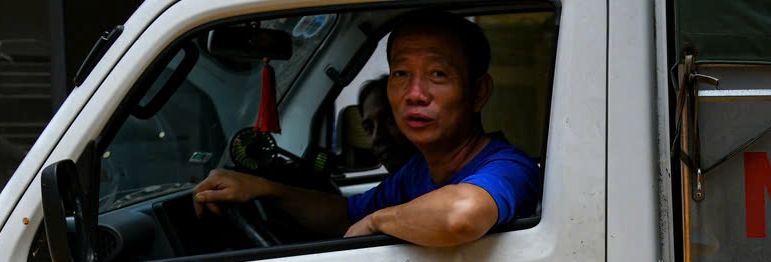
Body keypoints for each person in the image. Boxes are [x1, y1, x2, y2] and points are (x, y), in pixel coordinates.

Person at [191, 10, 540, 247]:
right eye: (401, 74)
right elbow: (343, 214)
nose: (414, 95)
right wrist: (261, 188)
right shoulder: (418, 171)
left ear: (478, 92)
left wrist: (376, 223)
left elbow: (461, 214)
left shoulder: (508, 167)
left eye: (437, 74)